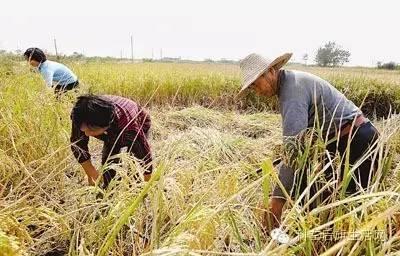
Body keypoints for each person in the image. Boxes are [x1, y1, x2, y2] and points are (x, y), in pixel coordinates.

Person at [239, 53, 380, 231]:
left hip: (357, 141)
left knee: (352, 207)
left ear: (271, 71)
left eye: (256, 83)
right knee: (312, 189)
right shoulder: (290, 84)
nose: (256, 91)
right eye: (251, 87)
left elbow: (293, 152)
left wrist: (276, 203)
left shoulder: (292, 92)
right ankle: (317, 235)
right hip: (341, 140)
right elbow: (302, 140)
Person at [70, 94, 153, 188]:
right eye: (84, 130)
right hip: (110, 123)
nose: (87, 134)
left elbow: (143, 153)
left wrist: (146, 183)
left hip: (139, 120)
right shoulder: (80, 115)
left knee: (134, 162)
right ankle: (108, 187)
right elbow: (77, 144)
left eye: (92, 130)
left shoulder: (129, 128)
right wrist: (91, 173)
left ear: (107, 125)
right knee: (109, 163)